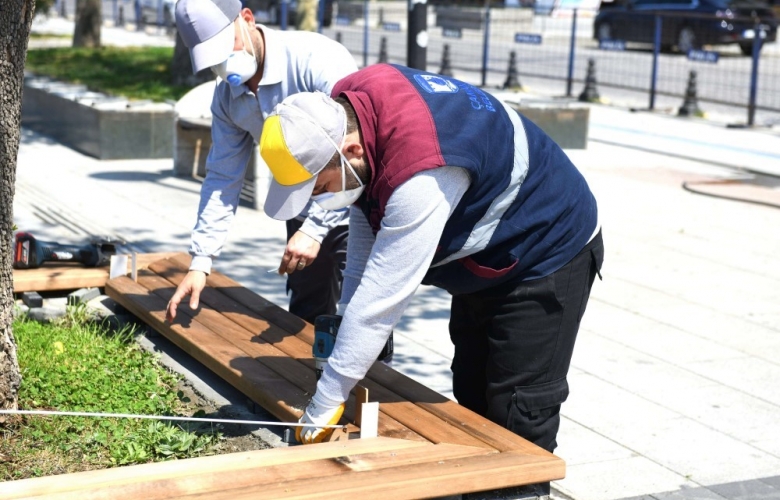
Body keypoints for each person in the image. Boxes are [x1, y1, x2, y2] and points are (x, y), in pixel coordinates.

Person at [258, 64, 604, 483]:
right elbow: (369, 216)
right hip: (488, 255)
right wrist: (348, 314)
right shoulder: (351, 105)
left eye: (321, 186)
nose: (324, 198)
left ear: (350, 151)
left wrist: (327, 397)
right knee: (473, 392)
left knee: (518, 413)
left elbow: (384, 297)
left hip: (546, 246)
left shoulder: (422, 168)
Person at [165, 0, 357, 324]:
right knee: (306, 320)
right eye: (213, 61)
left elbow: (356, 147)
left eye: (228, 48)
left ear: (248, 20)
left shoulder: (319, 60)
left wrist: (315, 229)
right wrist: (202, 259)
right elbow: (223, 178)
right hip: (303, 203)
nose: (225, 66)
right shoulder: (227, 97)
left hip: (355, 199)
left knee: (364, 317)